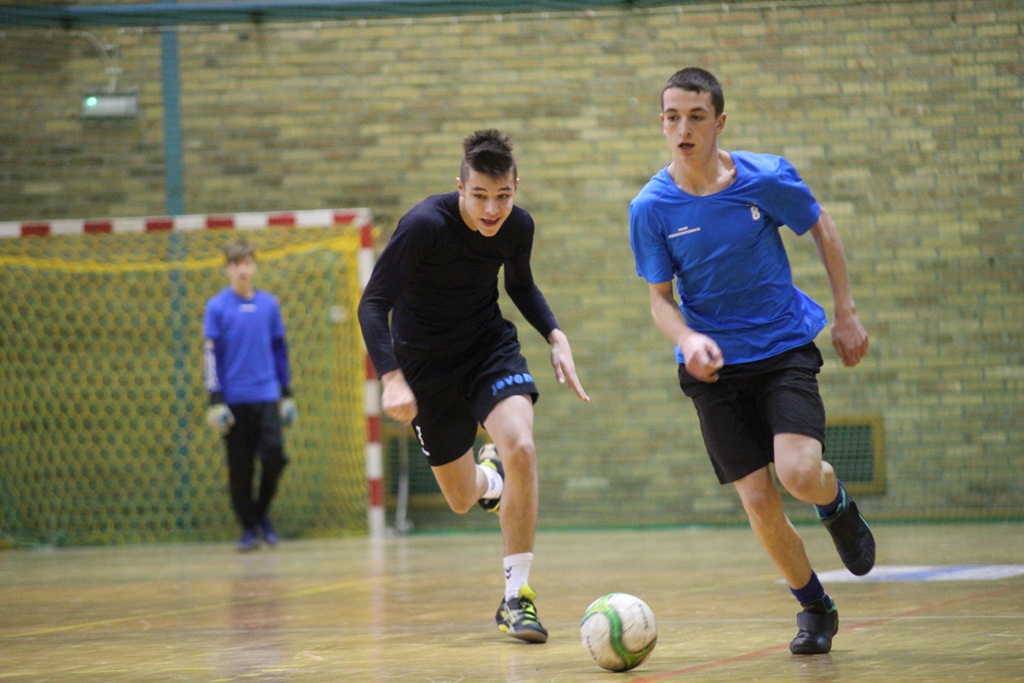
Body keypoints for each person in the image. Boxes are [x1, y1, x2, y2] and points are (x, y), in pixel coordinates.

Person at [629, 67, 875, 655]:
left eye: (694, 116)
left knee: (797, 474)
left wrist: (845, 312)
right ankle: (815, 607)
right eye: (671, 117)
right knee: (760, 504)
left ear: (719, 122)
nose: (682, 128)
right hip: (712, 366)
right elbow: (661, 302)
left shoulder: (764, 177)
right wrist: (688, 340)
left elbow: (822, 226)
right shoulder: (651, 207)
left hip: (782, 348)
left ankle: (835, 502)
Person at [358, 129, 589, 643]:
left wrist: (555, 335)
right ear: (459, 186)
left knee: (522, 448)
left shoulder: (517, 226)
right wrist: (392, 378)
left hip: (488, 351)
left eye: (503, 196)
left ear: (515, 187)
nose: (492, 210)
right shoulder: (422, 226)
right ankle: (492, 483)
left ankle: (516, 599)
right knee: (462, 498)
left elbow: (520, 286)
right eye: (480, 196)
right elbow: (372, 305)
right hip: (424, 372)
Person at [203, 239, 298, 552]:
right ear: (228, 269)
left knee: (274, 457)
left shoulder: (269, 305)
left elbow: (279, 350)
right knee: (240, 469)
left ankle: (260, 514)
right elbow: (211, 355)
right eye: (235, 264)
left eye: (246, 263)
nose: (241, 269)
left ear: (254, 266)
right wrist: (215, 399)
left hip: (267, 395)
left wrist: (286, 393)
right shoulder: (216, 307)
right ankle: (249, 527)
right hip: (234, 400)